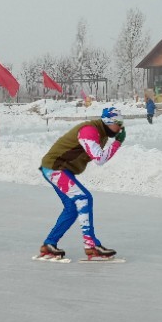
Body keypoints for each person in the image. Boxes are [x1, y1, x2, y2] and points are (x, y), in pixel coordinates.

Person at [37, 106, 126, 261]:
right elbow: (99, 159)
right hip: (55, 167)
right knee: (84, 198)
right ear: (108, 121)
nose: (121, 127)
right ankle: (91, 246)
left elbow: (100, 157)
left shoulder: (102, 133)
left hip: (62, 169)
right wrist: (117, 142)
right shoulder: (89, 131)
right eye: (118, 123)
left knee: (72, 208)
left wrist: (115, 141)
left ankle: (49, 244)